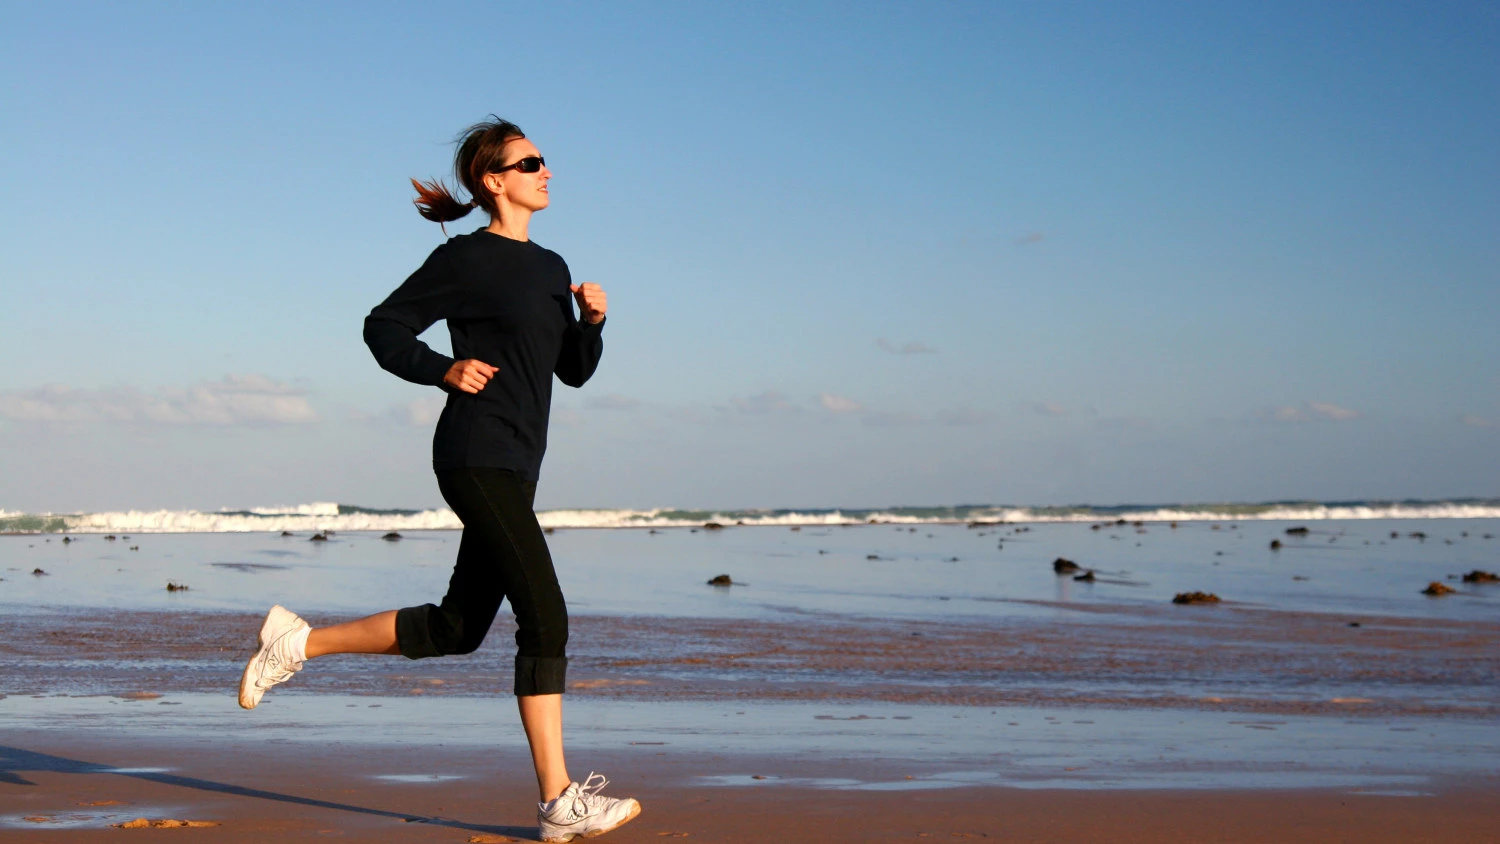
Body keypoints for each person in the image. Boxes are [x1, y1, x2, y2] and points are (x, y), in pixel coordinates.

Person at [237, 117, 639, 843]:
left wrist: (592, 323)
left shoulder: (551, 268)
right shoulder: (464, 260)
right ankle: (558, 800)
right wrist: (442, 369)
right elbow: (383, 326)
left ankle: (295, 644)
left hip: (519, 463)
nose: (547, 172)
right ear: (495, 179)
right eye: (532, 162)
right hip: (473, 453)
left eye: (546, 162)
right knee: (545, 616)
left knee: (459, 628)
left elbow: (572, 373)